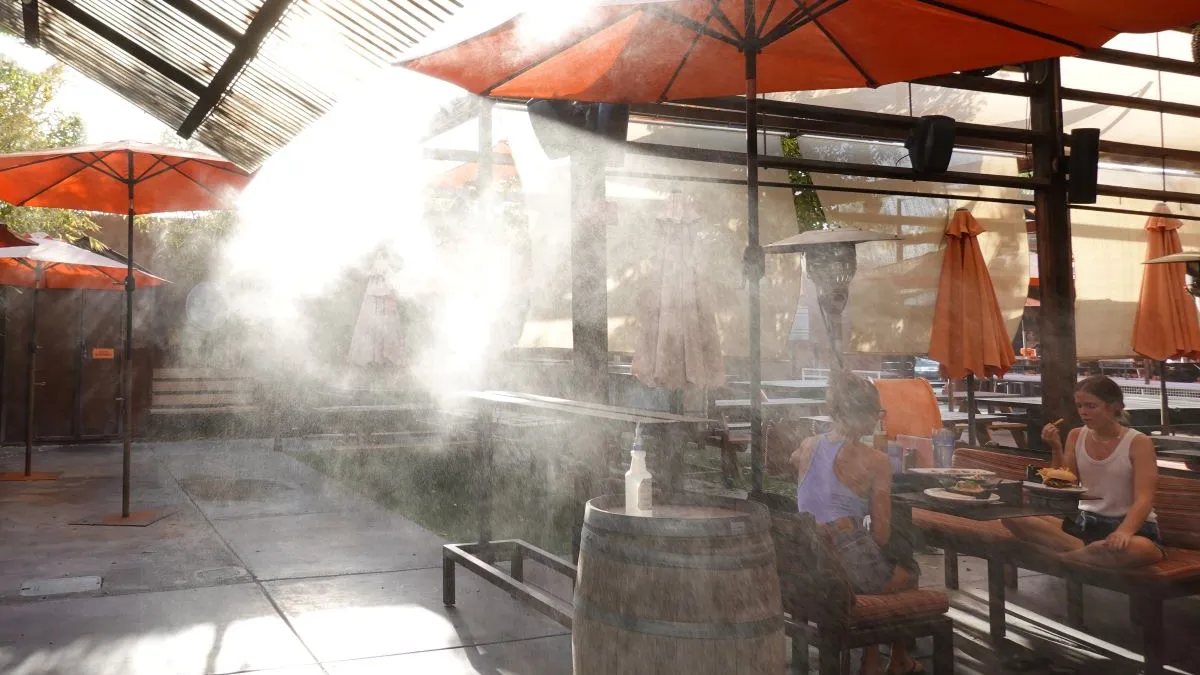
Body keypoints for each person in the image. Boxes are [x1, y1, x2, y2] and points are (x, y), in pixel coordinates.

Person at [790, 370, 922, 675]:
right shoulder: (876, 461)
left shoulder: (808, 445)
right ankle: (896, 660)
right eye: (877, 412)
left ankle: (873, 659)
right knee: (907, 570)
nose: (878, 419)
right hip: (842, 561)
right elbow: (881, 533)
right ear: (864, 415)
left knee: (874, 567)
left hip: (809, 563)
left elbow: (792, 459)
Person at [1002, 375, 1163, 568]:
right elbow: (1065, 483)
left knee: (1127, 549)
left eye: (1091, 406)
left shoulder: (1138, 443)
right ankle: (1085, 553)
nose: (1083, 413)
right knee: (1011, 519)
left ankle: (1062, 560)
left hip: (1133, 530)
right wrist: (1055, 448)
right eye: (1079, 406)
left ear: (1115, 406)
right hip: (1086, 526)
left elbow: (1144, 498)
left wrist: (1124, 532)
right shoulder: (1076, 435)